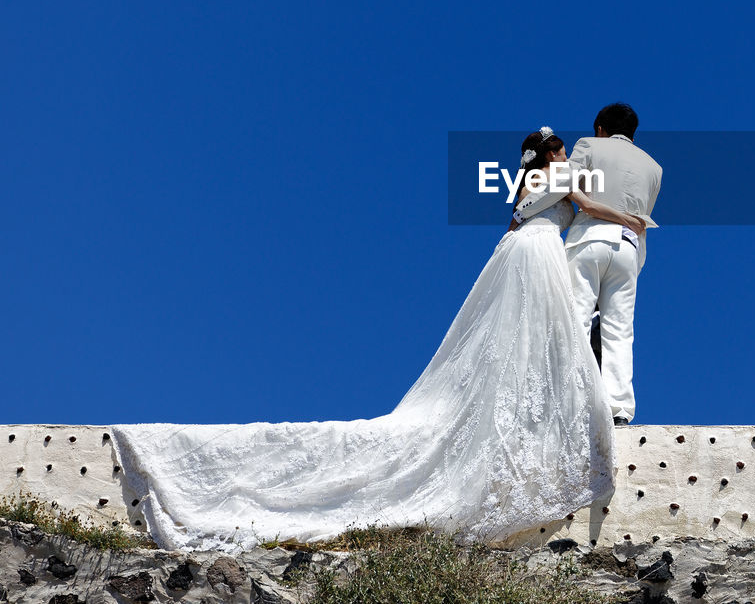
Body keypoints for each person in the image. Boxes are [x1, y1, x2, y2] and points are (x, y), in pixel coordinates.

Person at [110, 127, 638, 553]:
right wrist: (634, 220)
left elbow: (515, 217)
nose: (567, 150)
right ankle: (564, 407)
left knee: (513, 339)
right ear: (552, 153)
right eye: (560, 146)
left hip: (517, 249)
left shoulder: (523, 183)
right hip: (542, 251)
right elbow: (588, 209)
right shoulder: (564, 173)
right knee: (552, 335)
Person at [560, 104, 662, 426]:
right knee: (619, 329)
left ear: (600, 128)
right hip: (628, 250)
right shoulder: (654, 168)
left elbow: (565, 183)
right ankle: (619, 409)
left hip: (589, 238)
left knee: (575, 317)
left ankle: (569, 398)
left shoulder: (589, 146)